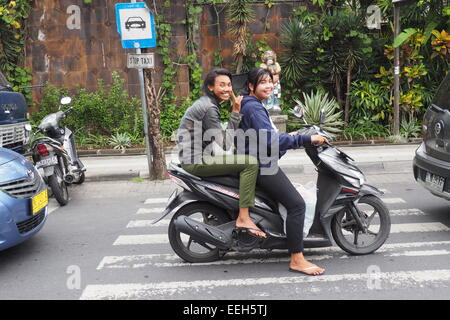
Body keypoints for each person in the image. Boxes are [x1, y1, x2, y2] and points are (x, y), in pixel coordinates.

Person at [237, 67, 328, 275]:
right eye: (263, 82)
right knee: (297, 204)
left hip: (260, 160)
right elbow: (271, 140)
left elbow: (267, 135)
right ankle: (297, 258)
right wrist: (306, 139)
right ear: (251, 86)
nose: (269, 85)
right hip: (262, 165)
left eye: (270, 81)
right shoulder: (253, 107)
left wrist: (295, 135)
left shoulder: (252, 104)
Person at [177, 68, 266, 238]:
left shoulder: (207, 102)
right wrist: (235, 112)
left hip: (197, 156)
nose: (226, 89)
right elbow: (224, 144)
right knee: (250, 163)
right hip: (196, 161)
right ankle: (244, 217)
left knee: (241, 161)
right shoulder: (210, 108)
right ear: (211, 87)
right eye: (221, 85)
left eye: (229, 85)